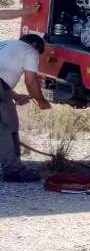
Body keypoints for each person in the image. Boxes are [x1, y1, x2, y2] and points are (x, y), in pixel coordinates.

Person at [0, 34, 51, 182]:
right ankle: (14, 171)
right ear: (35, 45)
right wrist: (41, 102)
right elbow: (31, 81)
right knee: (8, 128)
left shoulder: (6, 44)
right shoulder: (30, 50)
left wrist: (15, 96)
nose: (37, 56)